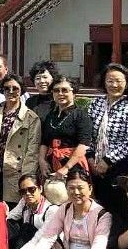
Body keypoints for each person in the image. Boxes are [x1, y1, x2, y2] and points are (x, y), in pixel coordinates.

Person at [14, 165, 112, 249]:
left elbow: (98, 247)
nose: (76, 192)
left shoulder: (102, 215)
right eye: (71, 188)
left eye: (80, 188)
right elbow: (47, 236)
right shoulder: (64, 209)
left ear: (90, 188)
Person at [87, 63, 128, 218]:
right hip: (94, 166)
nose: (114, 85)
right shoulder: (96, 104)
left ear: (127, 83)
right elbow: (88, 133)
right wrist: (91, 159)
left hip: (118, 167)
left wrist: (107, 161)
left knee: (117, 209)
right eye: (110, 80)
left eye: (119, 81)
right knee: (96, 208)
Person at [0, 74, 40, 204]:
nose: (11, 92)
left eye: (15, 88)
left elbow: (32, 150)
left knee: (12, 211)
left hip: (16, 171)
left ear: (21, 90)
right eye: (7, 88)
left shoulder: (31, 118)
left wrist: (27, 176)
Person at [37, 74, 92, 204]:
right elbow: (45, 141)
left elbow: (83, 145)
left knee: (73, 200)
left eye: (65, 90)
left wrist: (66, 168)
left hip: (73, 165)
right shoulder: (51, 116)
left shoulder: (81, 116)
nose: (60, 93)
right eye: (56, 90)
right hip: (51, 163)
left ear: (74, 93)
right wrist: (42, 161)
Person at [6, 173, 62, 249]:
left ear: (40, 189)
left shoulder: (51, 210)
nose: (27, 194)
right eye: (23, 192)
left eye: (31, 189)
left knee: (27, 228)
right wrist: (3, 211)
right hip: (25, 246)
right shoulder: (24, 202)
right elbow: (10, 216)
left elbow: (43, 238)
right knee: (8, 224)